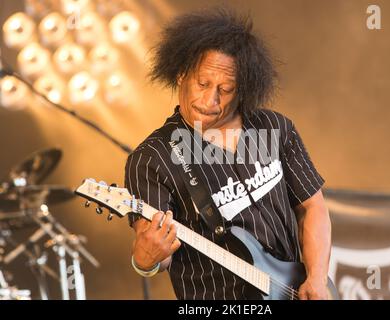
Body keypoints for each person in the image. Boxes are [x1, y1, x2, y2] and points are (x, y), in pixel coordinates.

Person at [125, 9, 332, 300]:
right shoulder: (152, 159)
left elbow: (312, 208)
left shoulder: (274, 127)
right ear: (181, 74)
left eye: (226, 89)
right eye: (202, 84)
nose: (210, 100)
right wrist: (145, 260)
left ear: (243, 89)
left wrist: (317, 279)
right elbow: (157, 255)